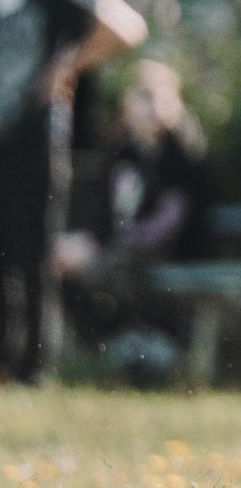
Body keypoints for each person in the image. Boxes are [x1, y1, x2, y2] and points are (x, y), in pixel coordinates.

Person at [0, 0, 148, 384]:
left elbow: (126, 26)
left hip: (33, 146)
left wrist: (69, 65)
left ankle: (32, 370)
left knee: (31, 253)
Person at [53, 61, 209, 381]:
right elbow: (105, 213)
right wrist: (88, 241)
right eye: (146, 98)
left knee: (107, 268)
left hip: (168, 249)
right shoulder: (121, 151)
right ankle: (68, 352)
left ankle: (114, 348)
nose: (156, 109)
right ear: (128, 103)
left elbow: (168, 223)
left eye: (164, 99)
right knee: (58, 257)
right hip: (124, 248)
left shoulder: (181, 152)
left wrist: (102, 247)